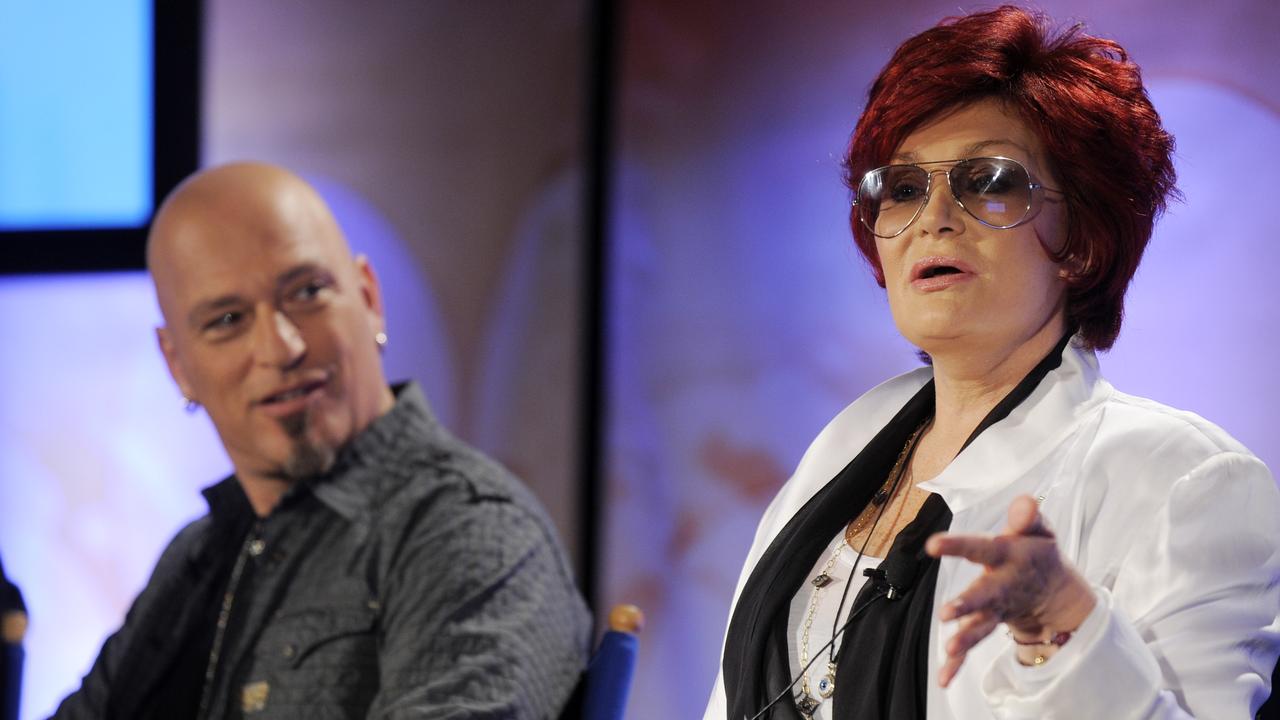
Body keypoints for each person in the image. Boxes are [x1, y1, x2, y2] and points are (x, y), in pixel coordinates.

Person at [705, 6, 1280, 719]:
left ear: (1084, 242)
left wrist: (1063, 628)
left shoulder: (1184, 483)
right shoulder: (845, 445)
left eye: (990, 181)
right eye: (905, 188)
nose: (934, 216)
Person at [52, 162, 591, 719]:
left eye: (307, 292)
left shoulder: (473, 533)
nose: (281, 347)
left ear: (368, 297)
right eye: (228, 319)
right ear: (178, 366)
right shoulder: (195, 560)